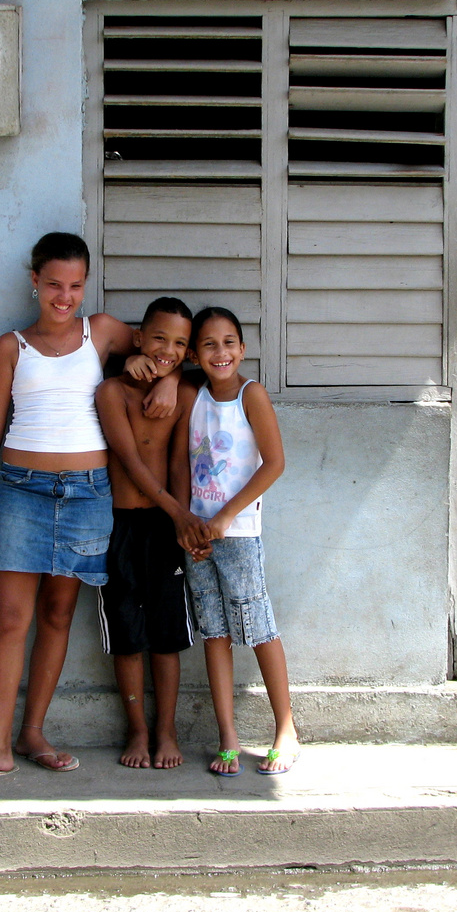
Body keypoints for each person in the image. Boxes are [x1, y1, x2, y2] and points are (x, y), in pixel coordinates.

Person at [0, 232, 177, 789]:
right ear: (34, 282)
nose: (64, 296)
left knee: (56, 617)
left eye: (75, 285)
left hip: (87, 494)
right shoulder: (11, 347)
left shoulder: (101, 332)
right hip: (21, 491)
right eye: (54, 284)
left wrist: (165, 375)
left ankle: (33, 734)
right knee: (9, 621)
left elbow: (167, 347)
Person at [173, 306, 299, 777]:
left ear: (242, 349)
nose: (220, 352)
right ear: (194, 354)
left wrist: (227, 515)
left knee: (258, 625)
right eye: (208, 345)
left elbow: (274, 463)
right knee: (215, 631)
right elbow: (185, 462)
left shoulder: (252, 395)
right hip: (198, 536)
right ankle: (227, 736)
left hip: (238, 533)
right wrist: (187, 522)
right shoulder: (194, 397)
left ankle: (286, 728)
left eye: (229, 343)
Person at [93, 297, 206, 770]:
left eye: (181, 344)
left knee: (166, 633)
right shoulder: (110, 393)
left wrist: (182, 520)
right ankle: (137, 729)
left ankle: (166, 729)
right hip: (117, 524)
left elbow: (179, 460)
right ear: (138, 339)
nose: (169, 349)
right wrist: (178, 514)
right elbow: (130, 461)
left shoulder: (183, 394)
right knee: (125, 631)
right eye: (160, 338)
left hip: (165, 526)